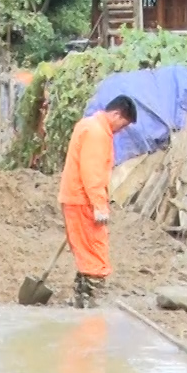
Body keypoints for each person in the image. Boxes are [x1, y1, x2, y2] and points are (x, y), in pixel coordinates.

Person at [58, 95, 139, 309]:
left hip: (75, 197)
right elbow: (92, 172)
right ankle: (89, 301)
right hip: (83, 199)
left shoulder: (88, 125)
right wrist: (99, 205)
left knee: (85, 250)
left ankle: (80, 298)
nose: (122, 129)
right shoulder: (97, 133)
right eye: (124, 124)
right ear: (116, 115)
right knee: (95, 250)